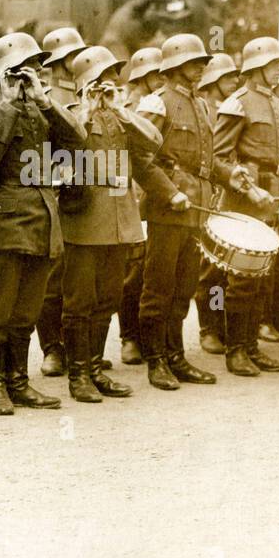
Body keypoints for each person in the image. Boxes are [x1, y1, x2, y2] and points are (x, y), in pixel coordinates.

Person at [134, 33, 268, 390]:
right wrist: (169, 191)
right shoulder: (157, 102)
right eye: (194, 62)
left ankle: (176, 356)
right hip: (169, 209)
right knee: (158, 288)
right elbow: (140, 158)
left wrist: (231, 175)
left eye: (202, 62)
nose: (201, 67)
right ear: (175, 66)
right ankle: (156, 361)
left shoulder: (203, 104)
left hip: (198, 209)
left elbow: (207, 161)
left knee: (183, 288)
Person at [0, 31, 87, 416]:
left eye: (36, 67)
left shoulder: (39, 105)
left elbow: (77, 139)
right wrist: (7, 103)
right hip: (3, 221)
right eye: (28, 67)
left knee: (26, 313)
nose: (35, 73)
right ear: (5, 72)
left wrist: (43, 101)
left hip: (41, 220)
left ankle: (18, 381)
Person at [60, 45, 164, 402]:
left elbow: (155, 142)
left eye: (111, 79)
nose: (107, 86)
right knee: (79, 302)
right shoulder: (71, 114)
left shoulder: (122, 117)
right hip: (85, 222)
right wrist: (87, 111)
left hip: (120, 221)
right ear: (85, 84)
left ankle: (94, 368)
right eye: (100, 80)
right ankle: (77, 375)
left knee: (107, 299)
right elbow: (58, 152)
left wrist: (121, 109)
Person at [212, 36, 279, 377]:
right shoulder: (239, 102)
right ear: (257, 68)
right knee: (242, 278)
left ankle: (252, 346)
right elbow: (217, 157)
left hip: (271, 194)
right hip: (246, 198)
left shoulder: (273, 102)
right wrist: (247, 186)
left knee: (263, 276)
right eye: (276, 64)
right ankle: (236, 351)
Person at [33, 26, 89, 378]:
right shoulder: (44, 94)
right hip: (54, 191)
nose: (78, 60)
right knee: (52, 277)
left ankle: (78, 346)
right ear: (58, 61)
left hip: (85, 193)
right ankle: (52, 347)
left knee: (79, 276)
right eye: (72, 56)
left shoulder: (90, 91)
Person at [117, 45, 164, 365]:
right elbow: (139, 153)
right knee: (133, 273)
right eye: (156, 74)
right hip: (135, 192)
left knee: (150, 271)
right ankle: (129, 337)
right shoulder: (136, 104)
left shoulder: (156, 100)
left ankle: (147, 338)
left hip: (155, 191)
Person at [194, 52, 240, 354]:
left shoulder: (226, 108)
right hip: (207, 194)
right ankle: (208, 327)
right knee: (211, 269)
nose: (234, 81)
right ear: (213, 80)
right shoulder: (204, 110)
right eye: (228, 77)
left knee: (225, 267)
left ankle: (221, 322)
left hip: (226, 191)